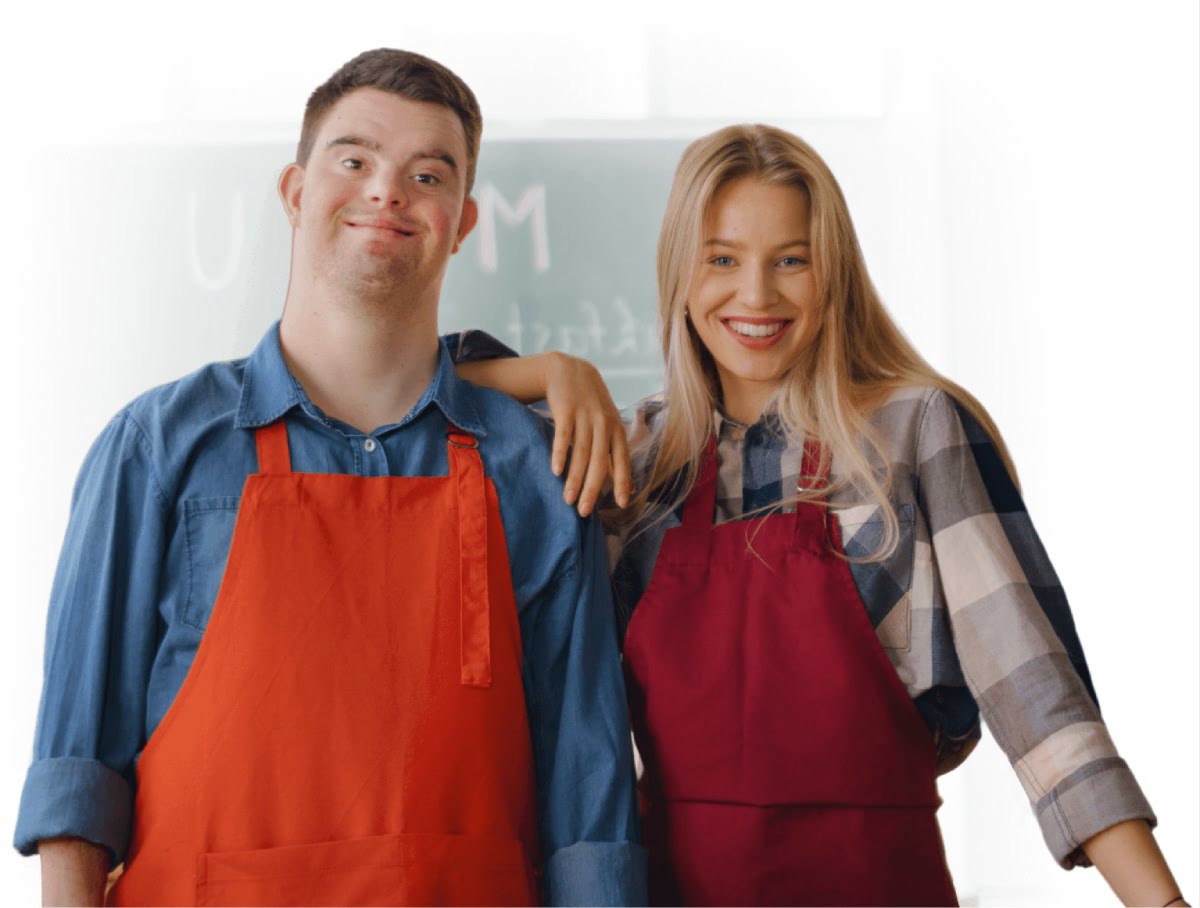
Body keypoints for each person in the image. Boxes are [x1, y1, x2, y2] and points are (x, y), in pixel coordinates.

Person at [457, 124, 1188, 906]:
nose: (757, 295)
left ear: (832, 273)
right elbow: (411, 396)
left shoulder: (914, 431)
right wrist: (550, 371)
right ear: (680, 272)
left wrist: (1163, 903)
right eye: (723, 259)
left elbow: (1035, 691)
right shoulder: (636, 460)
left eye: (791, 260)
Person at [13, 49, 645, 907]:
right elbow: (77, 775)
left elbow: (588, 804)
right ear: (296, 192)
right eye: (354, 160)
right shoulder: (158, 447)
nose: (388, 191)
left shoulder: (538, 467)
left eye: (428, 173)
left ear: (461, 223)